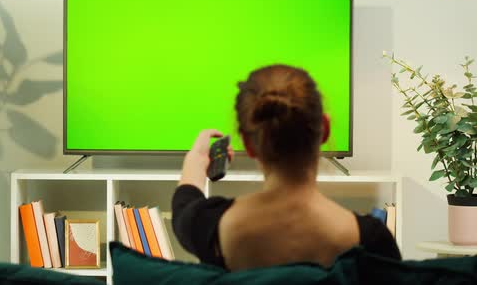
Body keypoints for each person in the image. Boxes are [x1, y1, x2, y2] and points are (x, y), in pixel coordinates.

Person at [171, 64, 401, 271]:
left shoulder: (212, 225)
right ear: (325, 129)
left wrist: (195, 162)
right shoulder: (372, 240)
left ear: (249, 144)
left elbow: (184, 208)